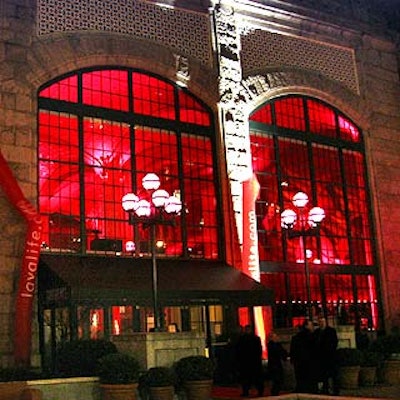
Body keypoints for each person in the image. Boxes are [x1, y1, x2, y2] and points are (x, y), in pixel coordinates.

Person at [290, 319, 318, 394]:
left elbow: (293, 350)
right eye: (311, 325)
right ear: (306, 326)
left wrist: (293, 359)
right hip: (309, 362)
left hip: (299, 362)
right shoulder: (312, 336)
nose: (312, 327)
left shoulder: (296, 337)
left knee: (300, 378)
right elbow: (315, 349)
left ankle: (301, 389)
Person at [236, 324, 264, 397]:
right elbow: (259, 350)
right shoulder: (256, 338)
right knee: (256, 378)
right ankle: (260, 391)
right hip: (254, 361)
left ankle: (246, 391)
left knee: (246, 378)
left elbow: (239, 351)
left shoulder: (242, 339)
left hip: (245, 362)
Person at [314, 316, 339, 395]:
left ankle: (335, 390)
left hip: (330, 356)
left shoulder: (331, 331)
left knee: (333, 375)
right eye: (320, 321)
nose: (321, 323)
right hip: (321, 357)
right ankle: (325, 389)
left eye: (322, 321)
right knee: (324, 375)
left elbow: (334, 343)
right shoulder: (317, 332)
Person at [267, 331, 288, 396]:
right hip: (274, 365)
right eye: (275, 337)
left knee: (278, 380)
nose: (277, 338)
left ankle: (275, 392)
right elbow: (278, 352)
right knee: (277, 380)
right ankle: (274, 392)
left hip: (276, 364)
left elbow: (283, 352)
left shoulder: (276, 345)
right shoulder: (271, 345)